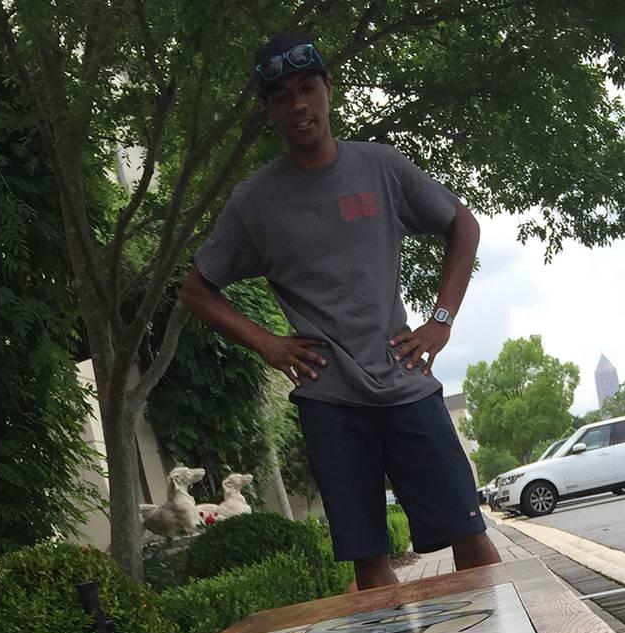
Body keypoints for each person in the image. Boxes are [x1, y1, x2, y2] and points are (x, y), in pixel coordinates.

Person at [179, 30, 502, 591]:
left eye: (308, 87)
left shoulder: (381, 168)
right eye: (282, 96)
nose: (299, 104)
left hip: (406, 384)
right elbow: (196, 290)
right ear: (270, 111)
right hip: (330, 401)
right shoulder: (254, 201)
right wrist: (268, 344)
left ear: (329, 89)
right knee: (370, 564)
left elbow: (462, 224)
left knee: (470, 536)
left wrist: (441, 320)